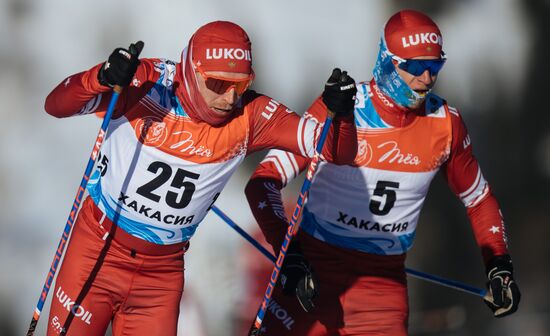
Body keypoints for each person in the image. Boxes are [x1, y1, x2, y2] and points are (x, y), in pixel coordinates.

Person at [43, 21, 358, 336]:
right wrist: (100, 78)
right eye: (218, 84)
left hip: (160, 274)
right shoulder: (149, 83)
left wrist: (341, 115)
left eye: (241, 85)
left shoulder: (251, 115)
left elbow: (335, 152)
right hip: (96, 252)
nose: (230, 98)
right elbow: (56, 105)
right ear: (191, 72)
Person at [245, 9, 521, 335]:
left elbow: (478, 199)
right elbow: (264, 181)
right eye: (416, 67)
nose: (427, 78)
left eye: (435, 66)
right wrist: (288, 253)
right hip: (313, 275)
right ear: (389, 62)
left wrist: (499, 266)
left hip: (380, 288)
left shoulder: (445, 124)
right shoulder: (342, 107)